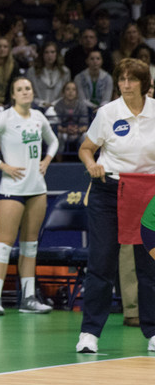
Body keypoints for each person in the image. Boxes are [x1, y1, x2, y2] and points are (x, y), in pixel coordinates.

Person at [76, 58, 155, 354]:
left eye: (132, 79)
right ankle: (89, 333)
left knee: (149, 264)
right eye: (121, 79)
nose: (125, 84)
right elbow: (86, 149)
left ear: (144, 83)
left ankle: (153, 332)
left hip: (149, 195)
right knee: (101, 262)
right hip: (108, 192)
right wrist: (92, 164)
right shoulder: (107, 113)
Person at [0, 76, 59, 316]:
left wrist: (47, 160)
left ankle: (28, 299)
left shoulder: (39, 117)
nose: (25, 92)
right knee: (4, 243)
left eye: (28, 88)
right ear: (13, 95)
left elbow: (54, 142)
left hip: (37, 189)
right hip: (12, 189)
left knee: (30, 246)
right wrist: (2, 166)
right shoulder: (5, 117)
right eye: (20, 89)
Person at [45, 81, 92, 155]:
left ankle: (84, 161)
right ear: (63, 92)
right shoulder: (58, 105)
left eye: (73, 90)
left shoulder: (81, 105)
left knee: (85, 136)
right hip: (64, 132)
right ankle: (59, 162)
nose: (70, 92)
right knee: (59, 136)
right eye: (68, 89)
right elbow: (57, 126)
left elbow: (85, 126)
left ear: (76, 93)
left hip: (78, 132)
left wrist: (77, 130)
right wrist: (66, 130)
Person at [27, 41, 72, 111]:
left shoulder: (65, 72)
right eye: (46, 52)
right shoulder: (32, 71)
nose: (49, 55)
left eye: (52, 52)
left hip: (59, 108)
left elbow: (66, 93)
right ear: (42, 54)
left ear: (57, 54)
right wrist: (42, 103)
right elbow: (29, 92)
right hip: (37, 107)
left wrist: (54, 104)